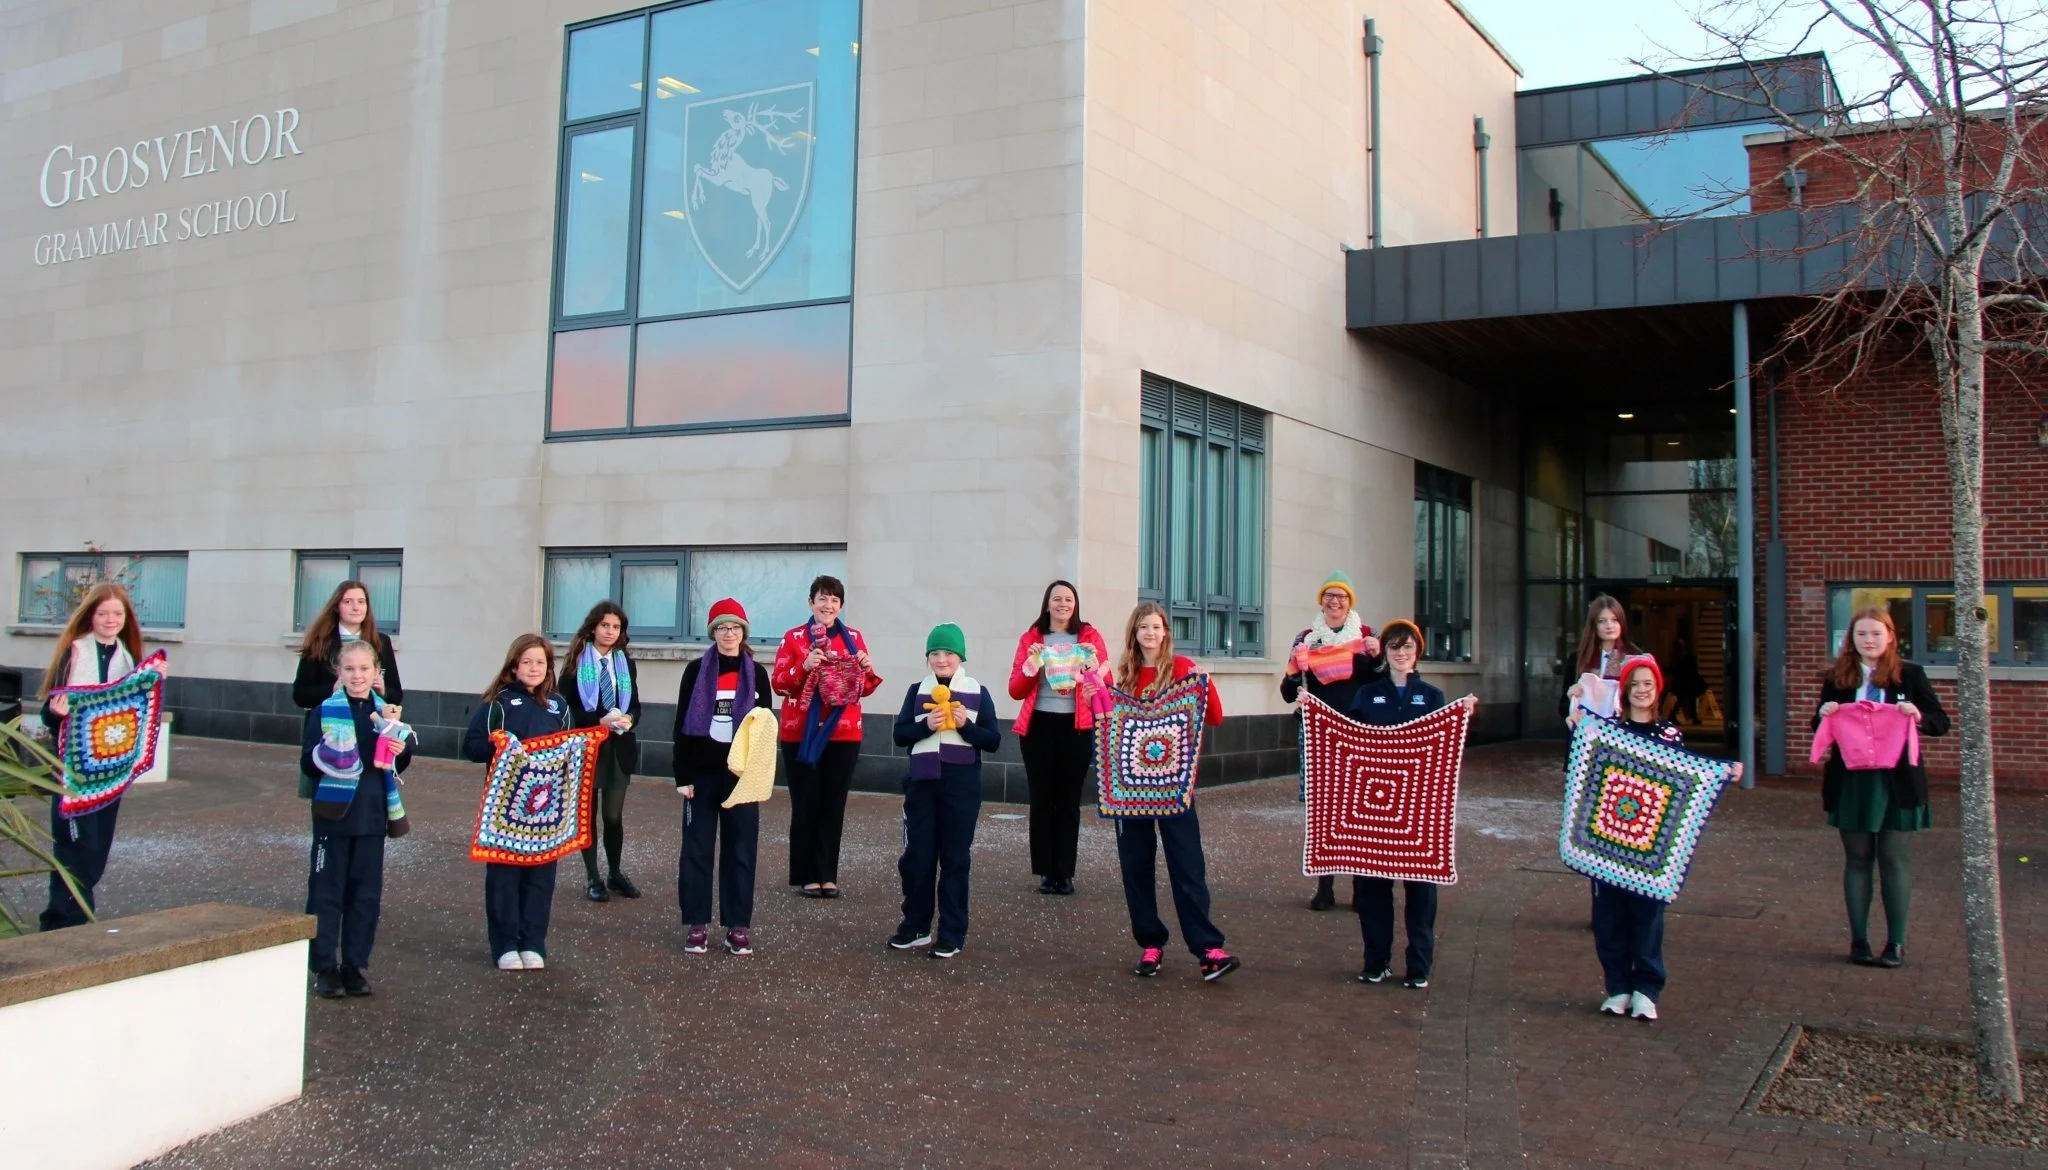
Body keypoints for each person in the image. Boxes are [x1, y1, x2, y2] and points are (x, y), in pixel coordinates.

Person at [1572, 655, 1741, 1021]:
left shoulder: (1670, 735)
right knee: (1609, 918)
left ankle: (1646, 989)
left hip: (1651, 845)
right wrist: (1575, 714)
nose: (1642, 691)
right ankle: (1617, 987)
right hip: (1608, 839)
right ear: (1626, 690)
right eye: (1635, 684)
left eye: (1649, 684)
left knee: (1647, 916)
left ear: (1658, 689)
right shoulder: (1606, 732)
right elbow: (1588, 772)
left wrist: (1724, 771)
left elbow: (1684, 783)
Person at [1100, 602, 1238, 982]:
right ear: (1135, 632)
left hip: (1174, 787)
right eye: (1143, 627)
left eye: (1156, 626)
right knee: (1136, 868)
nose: (1150, 633)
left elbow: (1215, 717)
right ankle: (1150, 943)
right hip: (1129, 790)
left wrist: (1206, 684)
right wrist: (1093, 686)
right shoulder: (1120, 676)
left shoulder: (1181, 670)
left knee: (1188, 865)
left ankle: (1207, 946)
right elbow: (1100, 723)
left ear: (1165, 632)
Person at [1812, 607, 1948, 969]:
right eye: (1861, 635)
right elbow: (1818, 725)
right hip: (1851, 781)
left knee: (1893, 859)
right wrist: (1825, 712)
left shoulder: (1911, 675)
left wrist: (1917, 717)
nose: (1868, 641)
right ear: (1851, 640)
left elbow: (1940, 721)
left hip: (1898, 782)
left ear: (1890, 636)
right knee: (1857, 859)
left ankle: (1896, 944)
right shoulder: (1839, 677)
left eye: (1875, 634)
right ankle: (1858, 941)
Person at [1345, 619, 1477, 989]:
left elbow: (1445, 749)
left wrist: (1462, 717)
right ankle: (1376, 961)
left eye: (1407, 648)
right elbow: (1347, 740)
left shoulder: (1433, 697)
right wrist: (1310, 709)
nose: (1401, 654)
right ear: (1384, 653)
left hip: (1419, 810)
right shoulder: (1369, 695)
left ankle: (1419, 965)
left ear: (1417, 652)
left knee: (1420, 892)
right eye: (1394, 648)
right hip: (1373, 810)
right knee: (1372, 889)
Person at [36, 583, 159, 931]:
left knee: (96, 850)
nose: (110, 620)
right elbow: (50, 712)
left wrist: (151, 680)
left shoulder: (128, 659)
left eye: (117, 614)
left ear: (126, 619)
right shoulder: (73, 654)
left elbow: (138, 709)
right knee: (74, 846)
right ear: (91, 615)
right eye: (103, 613)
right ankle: (61, 921)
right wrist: (58, 713)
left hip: (110, 772)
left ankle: (77, 918)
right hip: (72, 771)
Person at [301, 639, 414, 998]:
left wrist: (401, 748)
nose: (357, 675)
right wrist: (329, 752)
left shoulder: (387, 714)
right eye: (349, 669)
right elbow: (307, 763)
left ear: (376, 672)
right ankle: (324, 966)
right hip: (333, 815)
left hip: (371, 814)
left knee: (365, 894)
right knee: (327, 892)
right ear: (339, 672)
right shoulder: (323, 711)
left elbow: (399, 762)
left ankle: (354, 964)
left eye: (364, 669)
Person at [885, 624, 1002, 959]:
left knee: (954, 859)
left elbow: (992, 741)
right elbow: (900, 735)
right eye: (935, 653)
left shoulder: (977, 691)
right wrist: (926, 726)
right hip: (922, 784)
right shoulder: (915, 691)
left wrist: (967, 726)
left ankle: (952, 932)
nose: (941, 659)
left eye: (948, 653)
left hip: (961, 785)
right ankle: (916, 926)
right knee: (917, 857)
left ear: (960, 656)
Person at [462, 634, 570, 971]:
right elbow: (472, 746)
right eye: (527, 662)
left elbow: (570, 751)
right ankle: (505, 944)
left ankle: (533, 942)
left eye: (540, 662)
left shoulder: (559, 706)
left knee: (540, 878)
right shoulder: (498, 704)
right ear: (514, 665)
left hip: (546, 811)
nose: (534, 668)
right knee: (505, 878)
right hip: (506, 810)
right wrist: (500, 745)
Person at [770, 575, 881, 898]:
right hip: (799, 733)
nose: (827, 605)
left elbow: (866, 688)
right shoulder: (793, 638)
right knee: (806, 803)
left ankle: (827, 874)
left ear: (841, 606)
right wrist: (804, 665)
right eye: (822, 598)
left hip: (843, 733)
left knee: (834, 804)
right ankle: (806, 874)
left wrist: (867, 669)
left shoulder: (855, 638)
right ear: (810, 603)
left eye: (834, 600)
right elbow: (779, 683)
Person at [674, 598, 774, 957]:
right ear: (713, 632)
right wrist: (681, 775)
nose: (728, 634)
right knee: (697, 849)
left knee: (741, 851)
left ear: (743, 633)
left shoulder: (757, 674)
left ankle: (737, 926)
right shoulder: (696, 671)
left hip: (741, 778)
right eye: (721, 627)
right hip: (701, 775)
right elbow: (681, 727)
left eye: (734, 628)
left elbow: (763, 731)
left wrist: (760, 777)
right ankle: (697, 924)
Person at [1281, 571, 1383, 911]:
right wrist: (1295, 672)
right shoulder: (1307, 638)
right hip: (1320, 735)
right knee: (1323, 811)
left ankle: (1359, 887)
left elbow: (1380, 679)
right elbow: (1286, 691)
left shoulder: (1367, 636)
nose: (1335, 601)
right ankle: (1325, 886)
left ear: (1350, 602)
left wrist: (1377, 656)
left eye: (1341, 596)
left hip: (1358, 733)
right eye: (1329, 596)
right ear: (1321, 601)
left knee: (1358, 811)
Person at [1008, 580, 1111, 896]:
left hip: (1076, 729)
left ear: (1075, 604)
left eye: (1069, 599)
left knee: (1068, 801)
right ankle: (1044, 871)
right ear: (1047, 604)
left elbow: (1106, 684)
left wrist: (1094, 667)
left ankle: (1064, 872)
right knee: (1041, 799)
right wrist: (1031, 665)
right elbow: (1014, 690)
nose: (1063, 604)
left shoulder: (1089, 637)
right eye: (1057, 599)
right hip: (1038, 728)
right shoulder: (1032, 638)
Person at [559, 601, 643, 903]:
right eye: (605, 625)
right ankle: (593, 877)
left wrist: (629, 718)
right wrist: (598, 720)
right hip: (587, 746)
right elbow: (564, 712)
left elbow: (635, 704)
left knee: (612, 815)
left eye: (615, 627)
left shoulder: (625, 662)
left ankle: (615, 873)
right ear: (593, 627)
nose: (610, 631)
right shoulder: (574, 663)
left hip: (617, 747)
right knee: (587, 815)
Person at [293, 580, 403, 709]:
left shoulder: (382, 642)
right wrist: (333, 688)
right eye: (348, 602)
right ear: (336, 607)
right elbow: (300, 696)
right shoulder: (319, 642)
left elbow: (396, 697)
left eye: (361, 601)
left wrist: (384, 691)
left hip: (370, 723)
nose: (356, 608)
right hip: (328, 724)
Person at [1667, 633, 1707, 725]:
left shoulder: (1676, 657)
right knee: (1686, 700)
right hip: (1686, 682)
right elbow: (1691, 670)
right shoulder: (1686, 657)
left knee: (1683, 700)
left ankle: (1677, 716)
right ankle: (1689, 717)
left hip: (1682, 682)